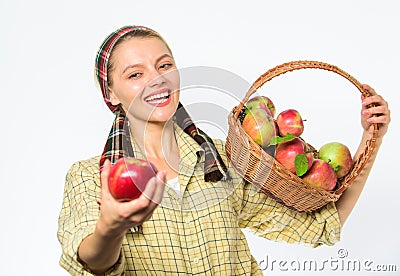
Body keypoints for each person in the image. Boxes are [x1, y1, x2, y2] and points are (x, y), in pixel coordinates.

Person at [57, 25, 391, 275]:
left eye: (164, 66)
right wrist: (110, 228)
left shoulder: (220, 160)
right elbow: (90, 265)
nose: (156, 80)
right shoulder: (92, 176)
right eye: (134, 74)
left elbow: (317, 225)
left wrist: (371, 139)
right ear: (111, 93)